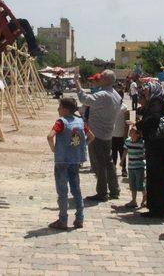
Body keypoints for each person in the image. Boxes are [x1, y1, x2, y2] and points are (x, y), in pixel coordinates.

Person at [47, 97, 94, 229]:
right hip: (75, 160)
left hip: (62, 161)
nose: (58, 109)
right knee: (76, 190)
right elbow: (91, 136)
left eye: (60, 106)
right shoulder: (80, 121)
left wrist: (54, 149)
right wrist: (81, 147)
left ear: (65, 109)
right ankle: (79, 219)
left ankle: (62, 220)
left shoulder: (61, 122)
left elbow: (50, 136)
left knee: (62, 192)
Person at [76, 70, 121, 201]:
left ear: (106, 80)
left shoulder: (103, 94)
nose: (99, 78)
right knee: (108, 162)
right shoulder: (116, 95)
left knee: (98, 164)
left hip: (96, 134)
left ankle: (102, 193)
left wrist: (77, 83)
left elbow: (84, 99)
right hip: (108, 133)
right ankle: (114, 190)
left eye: (101, 77)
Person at [136, 83, 164, 218]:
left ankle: (158, 209)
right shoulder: (155, 101)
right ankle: (159, 207)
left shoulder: (155, 101)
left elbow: (153, 120)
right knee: (158, 177)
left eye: (147, 87)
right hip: (160, 147)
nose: (144, 89)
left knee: (158, 177)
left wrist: (139, 124)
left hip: (159, 149)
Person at [121, 125, 146, 208]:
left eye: (132, 131)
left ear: (138, 134)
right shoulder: (128, 141)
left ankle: (145, 197)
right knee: (132, 185)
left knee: (141, 184)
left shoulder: (142, 142)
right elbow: (125, 151)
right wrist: (122, 160)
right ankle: (133, 200)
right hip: (131, 166)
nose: (130, 132)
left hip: (140, 167)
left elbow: (145, 153)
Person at [111, 91, 130, 177]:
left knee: (122, 153)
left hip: (122, 134)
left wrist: (126, 134)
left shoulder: (125, 108)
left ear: (122, 96)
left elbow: (127, 123)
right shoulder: (111, 106)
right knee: (113, 153)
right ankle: (113, 168)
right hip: (112, 134)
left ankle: (124, 169)